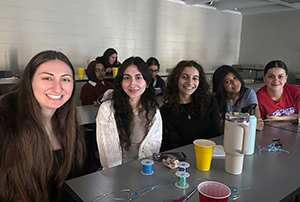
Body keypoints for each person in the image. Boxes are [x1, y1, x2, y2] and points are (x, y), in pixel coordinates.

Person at [0, 50, 86, 202]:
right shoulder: (5, 122)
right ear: (29, 81)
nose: (57, 88)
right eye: (47, 78)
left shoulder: (68, 123)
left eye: (65, 79)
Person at [96, 56, 162, 169]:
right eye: (127, 78)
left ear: (147, 83)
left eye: (138, 77)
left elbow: (154, 149)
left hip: (145, 169)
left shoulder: (153, 112)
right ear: (121, 82)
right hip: (116, 172)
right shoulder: (107, 110)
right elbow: (107, 156)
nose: (132, 84)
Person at [160, 60, 221, 152]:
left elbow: (216, 136)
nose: (190, 82)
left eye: (195, 78)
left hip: (207, 154)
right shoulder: (166, 111)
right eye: (184, 77)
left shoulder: (210, 102)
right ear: (176, 79)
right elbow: (169, 146)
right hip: (180, 159)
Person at [212, 65, 264, 130]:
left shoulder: (249, 94)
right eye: (227, 81)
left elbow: (257, 122)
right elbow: (220, 128)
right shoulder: (216, 100)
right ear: (221, 86)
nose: (234, 83)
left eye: (235, 78)